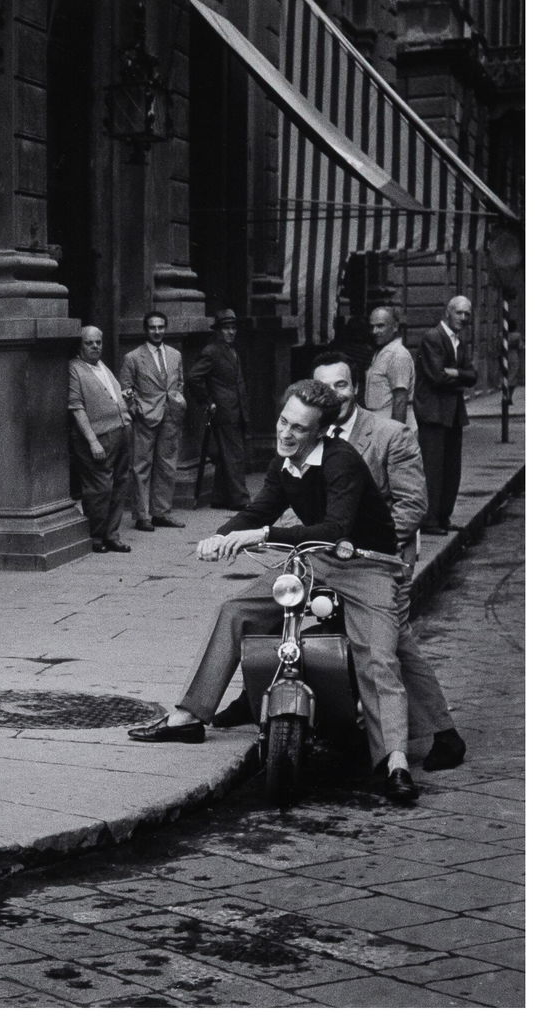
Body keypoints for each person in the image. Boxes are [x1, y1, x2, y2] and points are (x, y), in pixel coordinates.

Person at [127, 379, 420, 804]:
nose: (286, 433)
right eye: (284, 421)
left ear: (320, 432)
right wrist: (221, 536)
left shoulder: (342, 462)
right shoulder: (284, 462)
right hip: (313, 560)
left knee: (379, 656)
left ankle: (395, 762)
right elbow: (260, 506)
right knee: (235, 609)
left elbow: (335, 527)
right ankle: (189, 715)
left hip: (366, 565)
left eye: (298, 429)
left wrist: (261, 535)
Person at [306, 355, 466, 771]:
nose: (333, 395)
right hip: (333, 558)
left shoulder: (389, 433)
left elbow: (413, 505)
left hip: (382, 560)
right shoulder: (312, 436)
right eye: (324, 387)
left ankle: (441, 736)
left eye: (341, 385)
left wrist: (357, 544)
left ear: (355, 387)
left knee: (392, 645)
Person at [118, 310, 187, 532]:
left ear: (165, 328)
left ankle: (161, 512)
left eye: (160, 327)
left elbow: (180, 382)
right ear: (146, 329)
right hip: (145, 417)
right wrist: (136, 409)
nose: (157, 331)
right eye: (152, 327)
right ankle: (142, 515)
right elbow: (125, 389)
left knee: (167, 465)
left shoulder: (175, 355)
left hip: (170, 415)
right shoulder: (133, 357)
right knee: (141, 466)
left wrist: (178, 402)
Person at [412, 295, 477, 534]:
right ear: (448, 312)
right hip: (433, 413)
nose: (463, 318)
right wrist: (461, 377)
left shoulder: (459, 341)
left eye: (467, 314)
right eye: (459, 313)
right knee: (433, 468)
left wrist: (455, 373)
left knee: (451, 468)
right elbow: (437, 376)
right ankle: (429, 520)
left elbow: (474, 376)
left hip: (452, 414)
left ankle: (442, 517)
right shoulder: (433, 337)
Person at [66, 326, 133, 554]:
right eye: (89, 343)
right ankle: (96, 536)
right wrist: (92, 440)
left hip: (122, 430)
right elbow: (76, 407)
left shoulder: (102, 366)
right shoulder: (75, 368)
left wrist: (124, 399)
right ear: (80, 345)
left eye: (98, 342)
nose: (95, 347)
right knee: (99, 488)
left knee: (120, 484)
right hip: (98, 436)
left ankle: (112, 535)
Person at [186, 308, 250, 509]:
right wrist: (208, 401)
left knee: (225, 455)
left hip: (236, 409)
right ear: (218, 331)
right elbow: (193, 377)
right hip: (223, 410)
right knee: (234, 455)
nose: (231, 332)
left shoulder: (232, 350)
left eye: (233, 328)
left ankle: (220, 498)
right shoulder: (211, 351)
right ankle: (241, 500)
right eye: (226, 328)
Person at [363, 306, 414, 425]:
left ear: (395, 327)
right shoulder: (382, 351)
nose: (374, 331)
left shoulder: (398, 355)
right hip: (378, 421)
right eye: (372, 327)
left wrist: (396, 436)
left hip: (390, 422)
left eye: (380, 326)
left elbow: (400, 400)